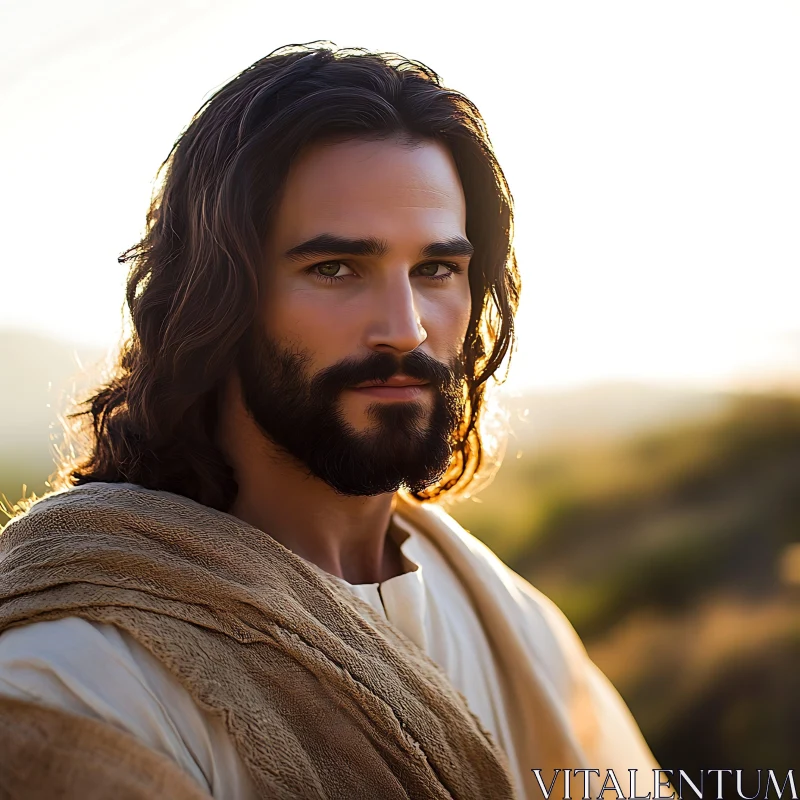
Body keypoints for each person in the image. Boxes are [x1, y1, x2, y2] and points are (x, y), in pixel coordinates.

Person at [0, 44, 660, 799]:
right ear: (219, 297)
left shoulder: (510, 621)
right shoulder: (76, 678)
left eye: (436, 269)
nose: (405, 328)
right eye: (336, 269)